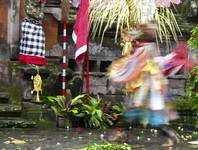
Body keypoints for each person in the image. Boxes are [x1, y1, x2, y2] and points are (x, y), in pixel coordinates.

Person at [19, 0, 46, 66]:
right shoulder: (29, 4)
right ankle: (29, 59)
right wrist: (42, 4)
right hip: (30, 24)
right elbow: (39, 16)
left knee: (38, 43)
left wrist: (42, 4)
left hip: (36, 25)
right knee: (28, 44)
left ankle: (35, 60)